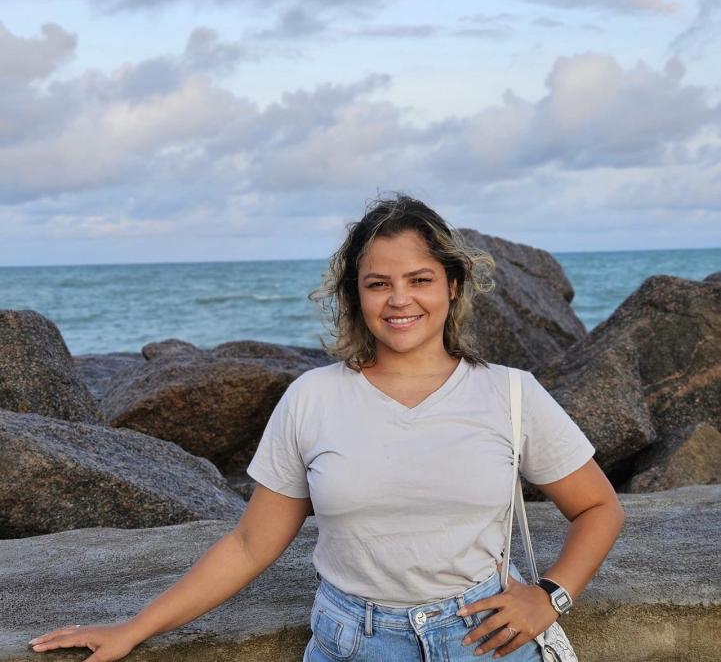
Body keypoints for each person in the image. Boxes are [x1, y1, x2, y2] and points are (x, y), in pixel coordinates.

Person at [29, 194, 624, 661]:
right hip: (354, 643)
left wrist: (549, 598)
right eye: (378, 283)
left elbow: (599, 507)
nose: (400, 299)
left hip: (484, 639)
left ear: (452, 285)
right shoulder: (312, 398)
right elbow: (249, 545)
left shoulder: (511, 392)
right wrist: (135, 628)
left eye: (419, 279)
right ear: (354, 295)